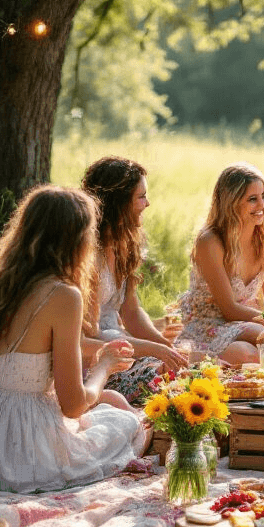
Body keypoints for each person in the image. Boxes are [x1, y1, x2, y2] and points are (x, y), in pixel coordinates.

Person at [0, 186, 148, 494]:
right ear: (77, 240)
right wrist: (104, 366)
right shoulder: (63, 295)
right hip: (24, 452)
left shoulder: (4, 283)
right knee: (127, 424)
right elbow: (73, 406)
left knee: (112, 403)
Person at [81, 157, 187, 405]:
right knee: (166, 381)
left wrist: (165, 347)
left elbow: (131, 312)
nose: (147, 203)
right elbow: (88, 335)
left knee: (185, 368)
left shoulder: (124, 244)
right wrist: (154, 350)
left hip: (121, 343)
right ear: (118, 202)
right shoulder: (88, 253)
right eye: (141, 196)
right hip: (94, 355)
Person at [173, 162, 264, 366]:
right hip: (209, 324)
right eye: (252, 199)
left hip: (246, 322)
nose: (262, 205)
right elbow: (228, 309)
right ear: (232, 203)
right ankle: (199, 360)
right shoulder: (210, 241)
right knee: (255, 345)